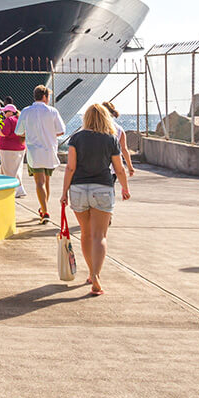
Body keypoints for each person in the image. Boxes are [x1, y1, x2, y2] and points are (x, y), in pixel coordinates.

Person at [60, 104, 130, 296]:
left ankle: (91, 273)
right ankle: (96, 275)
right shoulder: (110, 139)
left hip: (78, 189)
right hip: (102, 188)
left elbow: (70, 168)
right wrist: (124, 187)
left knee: (86, 234)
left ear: (86, 118)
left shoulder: (76, 138)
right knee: (100, 236)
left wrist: (64, 192)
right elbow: (119, 168)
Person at [15, 84, 66, 222]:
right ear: (44, 97)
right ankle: (44, 208)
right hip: (49, 150)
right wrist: (49, 133)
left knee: (39, 182)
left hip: (34, 151)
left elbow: (18, 131)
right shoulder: (53, 111)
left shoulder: (26, 111)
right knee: (46, 181)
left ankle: (45, 211)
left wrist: (30, 132)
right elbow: (62, 130)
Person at [0, 103, 28, 198]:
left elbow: (3, 133)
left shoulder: (9, 120)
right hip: (20, 148)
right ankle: (19, 189)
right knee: (17, 169)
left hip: (7, 149)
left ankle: (14, 190)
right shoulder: (20, 119)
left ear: (10, 112)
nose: (4, 114)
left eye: (5, 112)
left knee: (9, 171)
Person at [101, 101, 135, 177]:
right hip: (113, 168)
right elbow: (124, 149)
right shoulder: (119, 129)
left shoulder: (93, 128)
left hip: (95, 167)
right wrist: (130, 166)